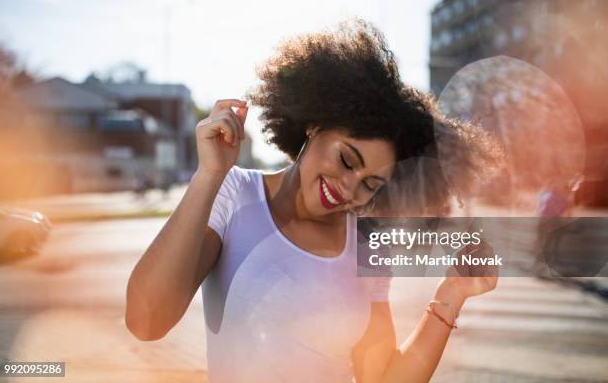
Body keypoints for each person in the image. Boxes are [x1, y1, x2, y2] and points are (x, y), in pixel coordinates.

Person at [125, 19, 500, 382]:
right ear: (314, 125)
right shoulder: (233, 193)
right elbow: (145, 322)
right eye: (347, 160)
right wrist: (208, 176)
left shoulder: (366, 245)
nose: (350, 187)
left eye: (371, 184)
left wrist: (451, 295)